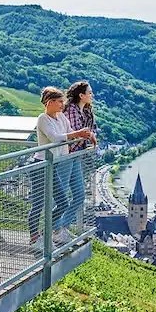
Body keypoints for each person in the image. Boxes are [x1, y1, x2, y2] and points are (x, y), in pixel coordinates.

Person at [28, 86, 95, 251]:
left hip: (53, 164)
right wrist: (77, 134)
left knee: (63, 203)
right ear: (50, 102)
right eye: (59, 102)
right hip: (40, 165)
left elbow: (71, 132)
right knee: (38, 203)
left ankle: (46, 231)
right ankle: (34, 237)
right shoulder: (43, 118)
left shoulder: (61, 118)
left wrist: (85, 134)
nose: (62, 105)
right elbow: (55, 138)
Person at [60, 81, 96, 232]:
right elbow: (74, 134)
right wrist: (87, 135)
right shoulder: (71, 111)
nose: (91, 95)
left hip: (76, 156)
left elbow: (91, 131)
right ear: (81, 95)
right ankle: (56, 229)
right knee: (61, 196)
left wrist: (88, 135)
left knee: (79, 195)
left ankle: (61, 227)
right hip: (66, 156)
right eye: (89, 92)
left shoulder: (85, 112)